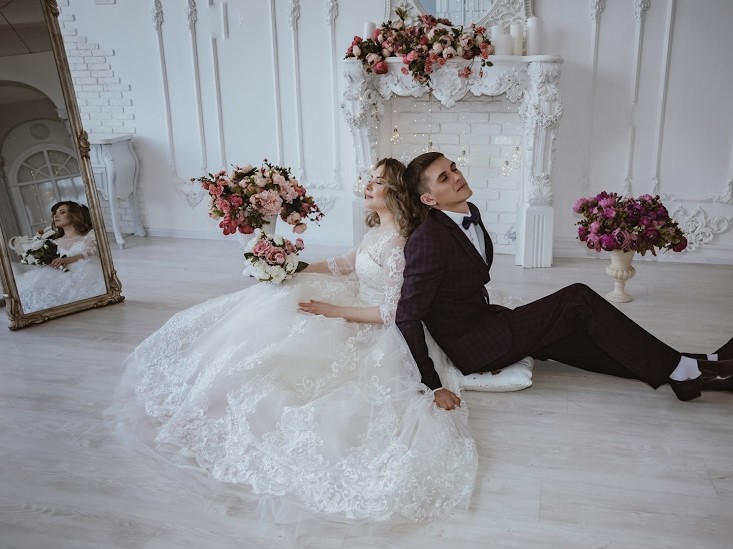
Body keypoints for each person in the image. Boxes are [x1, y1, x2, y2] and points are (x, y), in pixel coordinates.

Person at [107, 158, 477, 524]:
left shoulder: (397, 244)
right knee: (280, 302)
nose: (368, 186)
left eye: (378, 181)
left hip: (376, 327)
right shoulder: (377, 232)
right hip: (355, 302)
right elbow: (344, 264)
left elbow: (393, 311)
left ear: (396, 193)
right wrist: (291, 267)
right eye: (370, 178)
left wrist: (333, 311)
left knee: (304, 355)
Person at [395, 152, 733, 408]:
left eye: (454, 168)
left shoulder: (468, 214)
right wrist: (433, 386)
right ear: (428, 198)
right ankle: (685, 370)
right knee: (577, 298)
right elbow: (406, 316)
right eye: (444, 178)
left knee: (577, 334)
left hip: (489, 323)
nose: (457, 177)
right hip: (476, 346)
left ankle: (702, 364)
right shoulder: (428, 240)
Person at [15, 200, 105, 313]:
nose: (56, 216)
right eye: (55, 214)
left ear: (74, 215)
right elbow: (50, 258)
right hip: (60, 273)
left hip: (85, 269)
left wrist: (67, 260)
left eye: (62, 212)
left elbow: (91, 252)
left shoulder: (89, 235)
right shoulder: (54, 242)